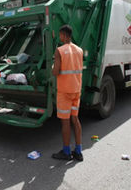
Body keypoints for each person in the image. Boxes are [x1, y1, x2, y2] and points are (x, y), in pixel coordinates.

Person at [52, 25, 84, 161]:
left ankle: (66, 152)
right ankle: (78, 151)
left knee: (65, 122)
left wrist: (52, 67)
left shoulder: (59, 51)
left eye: (60, 35)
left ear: (64, 35)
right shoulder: (79, 50)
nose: (60, 38)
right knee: (75, 120)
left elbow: (56, 71)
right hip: (76, 90)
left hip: (64, 91)